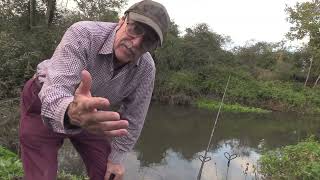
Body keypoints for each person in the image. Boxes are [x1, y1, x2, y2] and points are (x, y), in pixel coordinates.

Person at [18, 0, 170, 179]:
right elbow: (55, 91)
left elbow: (134, 119)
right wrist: (72, 113)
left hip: (90, 112)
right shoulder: (84, 33)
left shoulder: (146, 69)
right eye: (135, 29)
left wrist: (116, 159)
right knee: (41, 174)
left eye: (149, 41)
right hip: (44, 98)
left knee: (107, 173)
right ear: (122, 21)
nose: (137, 43)